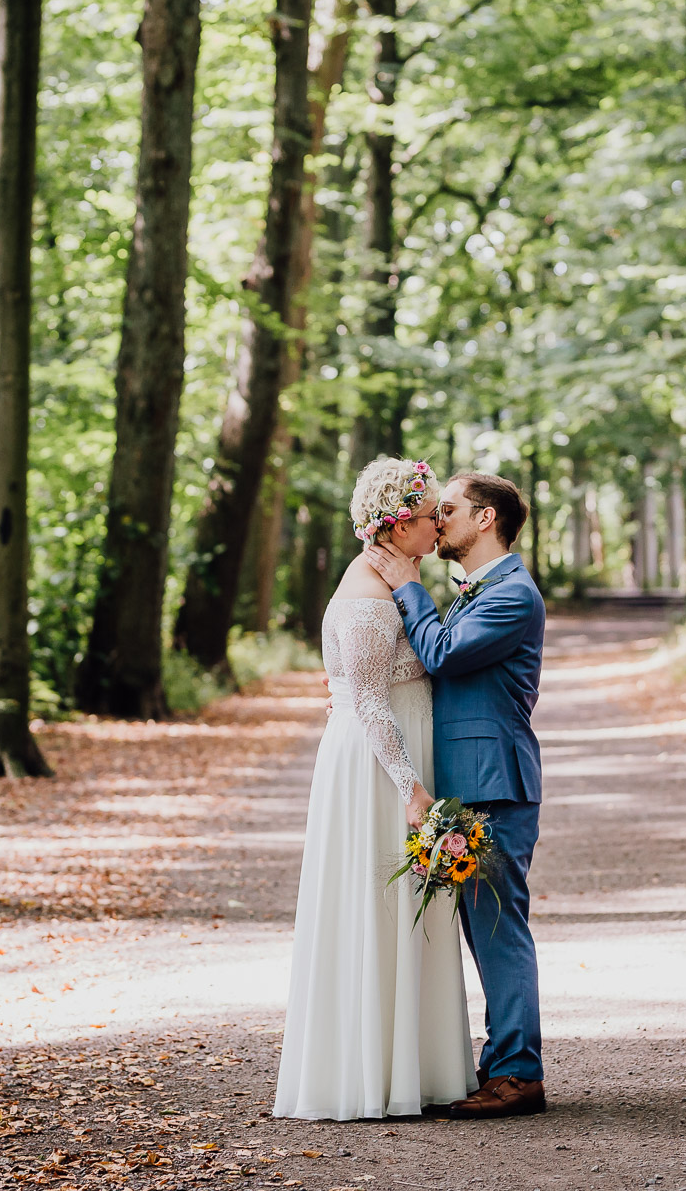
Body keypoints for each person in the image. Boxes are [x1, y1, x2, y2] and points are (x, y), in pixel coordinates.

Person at [272, 457, 475, 1120]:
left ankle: (419, 1066)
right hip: (378, 770)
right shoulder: (365, 591)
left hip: (402, 755)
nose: (439, 524)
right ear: (394, 526)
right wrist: (412, 789)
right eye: (427, 515)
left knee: (415, 909)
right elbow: (366, 702)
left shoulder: (403, 575)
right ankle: (367, 1074)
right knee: (378, 908)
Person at [364, 471, 548, 1120]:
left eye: (449, 510)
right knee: (480, 928)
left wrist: (410, 588)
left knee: (498, 929)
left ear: (487, 518)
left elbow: (441, 655)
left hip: (494, 784)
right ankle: (503, 1062)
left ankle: (520, 1073)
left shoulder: (513, 597)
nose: (436, 521)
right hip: (470, 784)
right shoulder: (479, 591)